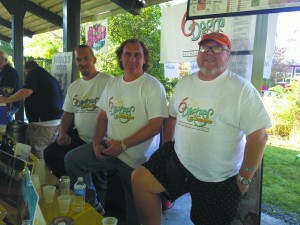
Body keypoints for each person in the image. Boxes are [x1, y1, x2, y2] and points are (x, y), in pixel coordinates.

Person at [131, 32, 272, 225]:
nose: (209, 53)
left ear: (228, 55)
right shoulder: (185, 83)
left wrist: (245, 178)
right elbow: (172, 116)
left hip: (218, 179)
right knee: (140, 180)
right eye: (205, 48)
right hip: (181, 163)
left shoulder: (241, 90)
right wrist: (167, 145)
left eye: (217, 48)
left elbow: (259, 136)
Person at [64, 39, 168, 224]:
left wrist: (122, 145)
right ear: (120, 58)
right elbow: (102, 116)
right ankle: (92, 204)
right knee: (72, 160)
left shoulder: (152, 86)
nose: (132, 59)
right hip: (109, 148)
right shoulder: (113, 84)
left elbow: (156, 125)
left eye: (138, 55)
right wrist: (96, 143)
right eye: (127, 54)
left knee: (134, 212)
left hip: (136, 158)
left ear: (145, 59)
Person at [43, 45, 113, 178]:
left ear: (94, 60)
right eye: (79, 59)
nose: (82, 63)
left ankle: (87, 191)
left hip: (103, 141)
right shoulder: (74, 86)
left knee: (99, 179)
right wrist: (62, 133)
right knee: (50, 153)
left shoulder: (108, 81)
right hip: (80, 138)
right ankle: (72, 184)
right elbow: (68, 113)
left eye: (86, 58)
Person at [0, 60, 64, 158]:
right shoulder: (49, 77)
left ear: (27, 69)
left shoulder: (34, 73)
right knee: (48, 154)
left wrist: (7, 100)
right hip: (56, 122)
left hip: (42, 124)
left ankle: (39, 173)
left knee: (35, 155)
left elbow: (27, 91)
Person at [0, 50, 20, 122]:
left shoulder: (10, 72)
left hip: (9, 105)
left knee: (4, 129)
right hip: (6, 103)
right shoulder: (4, 71)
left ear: (5, 60)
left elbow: (7, 92)